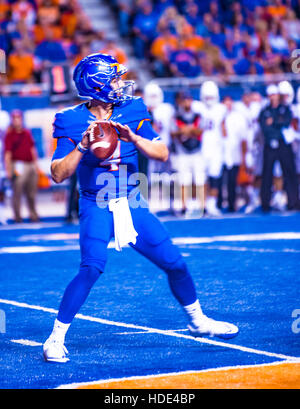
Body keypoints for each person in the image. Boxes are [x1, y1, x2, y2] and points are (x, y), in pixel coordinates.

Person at [43, 53, 239, 363]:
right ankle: (55, 338)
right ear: (96, 86)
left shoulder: (133, 110)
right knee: (92, 266)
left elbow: (161, 151)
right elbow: (57, 173)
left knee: (175, 262)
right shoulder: (71, 119)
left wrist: (134, 136)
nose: (120, 83)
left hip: (133, 202)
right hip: (97, 204)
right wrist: (82, 145)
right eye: (113, 79)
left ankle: (198, 321)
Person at [259, 84, 299, 212]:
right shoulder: (265, 111)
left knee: (289, 172)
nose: (273, 97)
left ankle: (293, 202)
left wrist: (274, 121)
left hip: (283, 144)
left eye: (275, 94)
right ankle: (265, 203)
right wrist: (277, 123)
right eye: (271, 95)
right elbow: (265, 128)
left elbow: (286, 122)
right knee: (267, 174)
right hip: (270, 144)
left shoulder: (285, 109)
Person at [4, 110, 39, 223]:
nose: (16, 120)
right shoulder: (9, 135)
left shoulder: (26, 132)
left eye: (18, 117)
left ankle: (33, 215)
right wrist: (8, 170)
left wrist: (36, 165)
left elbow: (32, 149)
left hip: (30, 165)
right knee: (17, 192)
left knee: (32, 192)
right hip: (18, 165)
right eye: (14, 118)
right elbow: (7, 154)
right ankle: (17, 216)